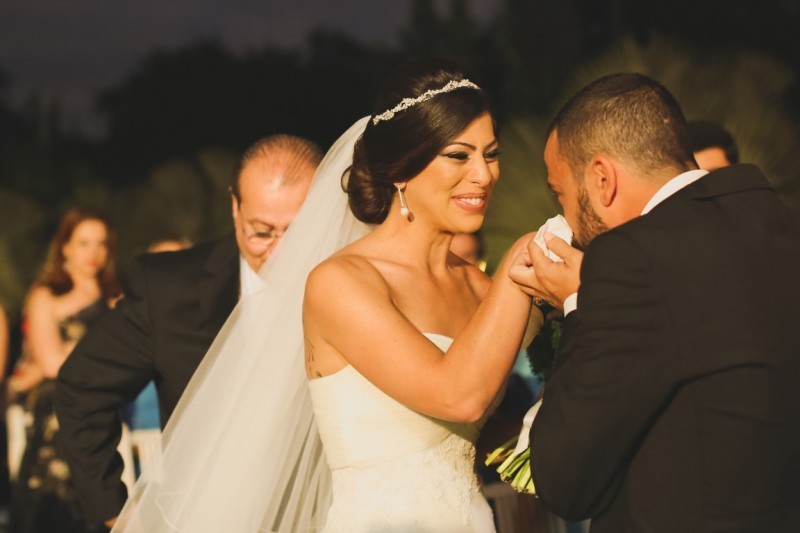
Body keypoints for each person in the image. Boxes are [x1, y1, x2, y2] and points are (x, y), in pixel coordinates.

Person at [112, 58, 540, 532]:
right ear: (401, 168)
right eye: (459, 156)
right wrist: (519, 267)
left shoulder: (483, 287)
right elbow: (459, 398)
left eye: (492, 153)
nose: (483, 175)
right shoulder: (342, 282)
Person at [511, 73, 800, 532]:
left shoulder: (632, 260)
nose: (564, 213)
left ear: (602, 179)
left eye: (560, 193)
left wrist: (577, 305)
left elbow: (566, 481)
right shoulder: (775, 223)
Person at [55, 135, 322, 527]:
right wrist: (114, 511)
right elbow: (81, 386)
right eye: (262, 232)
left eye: (296, 232)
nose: (280, 252)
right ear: (235, 207)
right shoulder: (167, 290)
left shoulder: (357, 282)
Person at [9, 208, 122, 533]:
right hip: (59, 408)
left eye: (101, 244)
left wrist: (77, 350)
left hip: (107, 407)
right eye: (84, 242)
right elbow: (51, 363)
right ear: (65, 247)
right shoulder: (46, 296)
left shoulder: (118, 297)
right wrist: (100, 352)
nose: (94, 253)